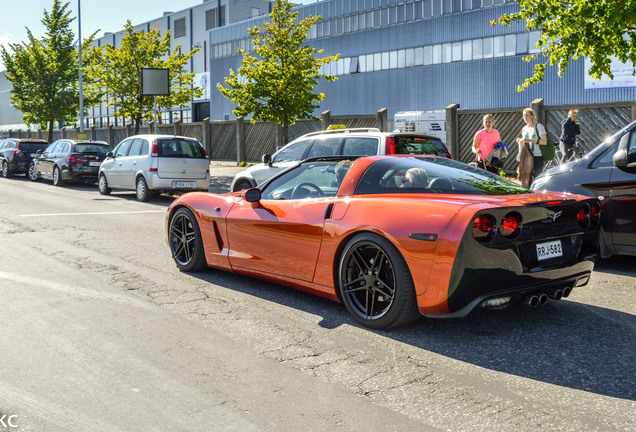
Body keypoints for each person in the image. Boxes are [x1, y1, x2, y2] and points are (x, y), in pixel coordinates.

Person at [516, 108, 547, 188]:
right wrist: (520, 141)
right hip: (527, 157)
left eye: (527, 115)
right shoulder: (524, 129)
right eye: (524, 116)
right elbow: (525, 143)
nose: (525, 117)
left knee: (537, 179)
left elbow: (544, 142)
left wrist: (529, 140)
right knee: (526, 178)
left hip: (537, 156)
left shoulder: (538, 126)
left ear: (533, 116)